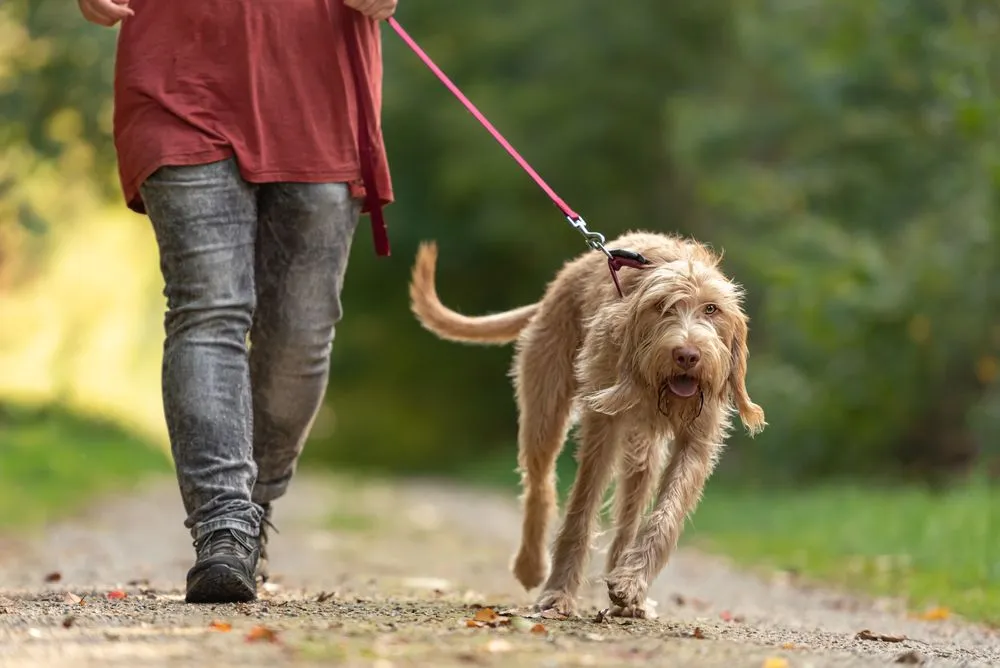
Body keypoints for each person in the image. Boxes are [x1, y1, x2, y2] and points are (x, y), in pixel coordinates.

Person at [77, 0, 396, 603]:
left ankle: (254, 502)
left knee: (302, 329)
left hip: (318, 89)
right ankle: (224, 526)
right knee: (207, 307)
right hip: (177, 75)